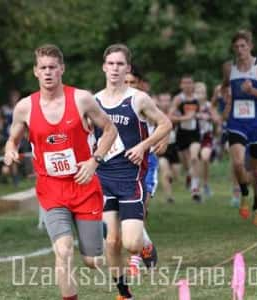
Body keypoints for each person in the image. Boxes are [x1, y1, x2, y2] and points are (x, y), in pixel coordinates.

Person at [4, 44, 117, 300]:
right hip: (51, 188)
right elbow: (12, 139)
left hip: (84, 184)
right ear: (35, 71)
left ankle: (99, 230)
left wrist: (94, 161)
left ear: (61, 69)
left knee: (92, 260)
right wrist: (11, 149)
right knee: (63, 251)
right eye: (42, 68)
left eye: (52, 67)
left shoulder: (81, 99)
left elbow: (110, 130)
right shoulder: (25, 107)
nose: (47, 73)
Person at [95, 44, 171, 299]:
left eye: (120, 64)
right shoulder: (93, 101)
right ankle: (123, 292)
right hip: (103, 179)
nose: (115, 69)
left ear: (127, 68)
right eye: (111, 64)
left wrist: (143, 146)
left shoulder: (138, 98)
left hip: (130, 179)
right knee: (111, 241)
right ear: (104, 67)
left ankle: (146, 246)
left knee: (131, 244)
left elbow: (165, 124)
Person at [221, 30, 257, 226]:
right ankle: (244, 192)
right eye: (236, 47)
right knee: (237, 163)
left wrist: (253, 91)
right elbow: (224, 87)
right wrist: (226, 96)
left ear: (250, 46)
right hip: (236, 122)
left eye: (243, 46)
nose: (240, 50)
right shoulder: (229, 68)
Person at [124, 66, 159, 277]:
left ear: (139, 84)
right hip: (121, 164)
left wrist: (162, 140)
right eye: (125, 82)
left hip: (147, 162)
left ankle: (135, 259)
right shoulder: (109, 102)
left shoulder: (143, 102)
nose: (128, 86)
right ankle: (144, 244)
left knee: (141, 207)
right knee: (123, 213)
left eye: (132, 82)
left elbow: (163, 123)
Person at [169, 74, 202, 202]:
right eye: (185, 83)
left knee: (194, 157)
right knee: (186, 163)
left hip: (195, 133)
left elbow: (204, 112)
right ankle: (189, 174)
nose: (188, 85)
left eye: (190, 83)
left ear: (193, 84)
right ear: (181, 85)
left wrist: (200, 116)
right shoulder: (178, 99)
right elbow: (170, 117)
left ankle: (195, 189)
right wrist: (185, 118)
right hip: (182, 133)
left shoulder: (197, 99)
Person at [157, 93, 181, 204]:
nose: (165, 103)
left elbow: (176, 120)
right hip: (161, 147)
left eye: (168, 100)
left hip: (173, 146)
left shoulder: (175, 113)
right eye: (163, 100)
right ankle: (169, 196)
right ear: (159, 102)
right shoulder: (154, 113)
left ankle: (170, 183)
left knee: (175, 175)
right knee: (165, 171)